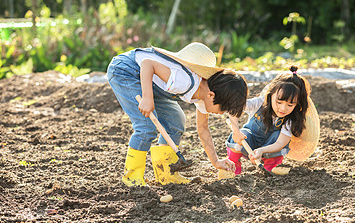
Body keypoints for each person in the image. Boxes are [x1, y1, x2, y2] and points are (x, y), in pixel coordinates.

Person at [107, 42, 248, 186]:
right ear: (211, 95)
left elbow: (203, 129)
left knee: (175, 120)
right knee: (146, 125)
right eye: (222, 110)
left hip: (152, 81)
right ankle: (132, 178)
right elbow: (148, 64)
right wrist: (147, 98)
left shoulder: (205, 94)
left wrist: (216, 161)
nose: (221, 113)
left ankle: (166, 173)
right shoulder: (185, 81)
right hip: (127, 71)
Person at [226, 65, 310, 174]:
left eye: (290, 105)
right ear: (270, 95)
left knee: (277, 137)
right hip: (250, 141)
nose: (283, 108)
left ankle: (269, 168)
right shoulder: (259, 103)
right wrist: (236, 131)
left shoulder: (290, 120)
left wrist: (261, 150)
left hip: (269, 148)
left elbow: (280, 143)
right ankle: (232, 165)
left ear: (297, 104)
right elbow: (234, 108)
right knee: (242, 134)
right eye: (279, 102)